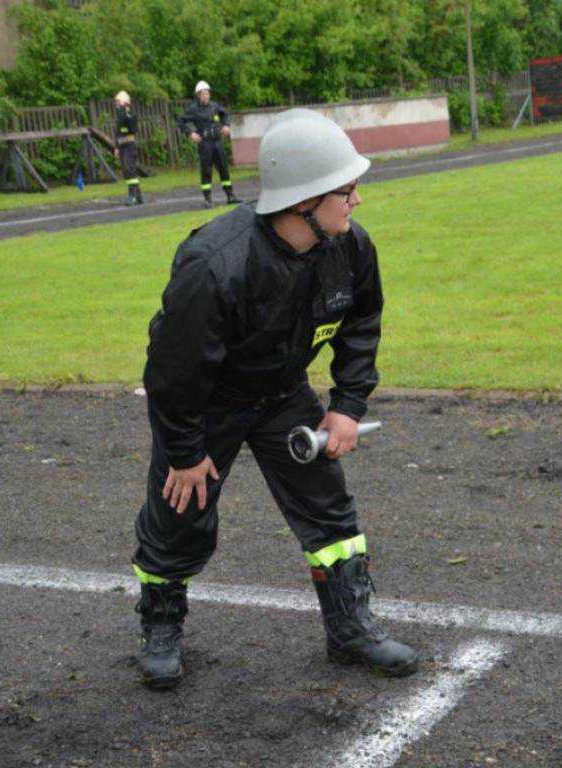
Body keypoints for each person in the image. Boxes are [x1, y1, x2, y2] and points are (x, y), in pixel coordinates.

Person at [131, 108, 418, 690]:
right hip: (208, 403)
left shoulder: (350, 246)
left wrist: (347, 405)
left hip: (283, 395)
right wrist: (185, 452)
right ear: (306, 200)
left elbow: (361, 322)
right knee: (180, 515)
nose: (357, 200)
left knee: (329, 509)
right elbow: (172, 372)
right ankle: (161, 627)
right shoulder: (215, 264)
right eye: (347, 189)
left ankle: (350, 630)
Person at [176, 80, 241, 208]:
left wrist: (226, 125)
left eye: (207, 93)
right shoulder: (193, 109)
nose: (205, 96)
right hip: (205, 144)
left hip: (217, 142)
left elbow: (224, 114)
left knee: (223, 168)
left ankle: (230, 195)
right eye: (203, 94)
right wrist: (190, 133)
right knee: (206, 170)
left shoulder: (215, 106)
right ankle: (208, 198)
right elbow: (180, 121)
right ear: (198, 95)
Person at [113, 91, 143, 206]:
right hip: (122, 146)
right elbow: (118, 133)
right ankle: (137, 194)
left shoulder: (131, 115)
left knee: (129, 169)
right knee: (126, 171)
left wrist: (124, 111)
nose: (117, 105)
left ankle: (133, 194)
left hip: (130, 145)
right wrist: (117, 147)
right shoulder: (120, 116)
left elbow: (132, 127)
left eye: (119, 102)